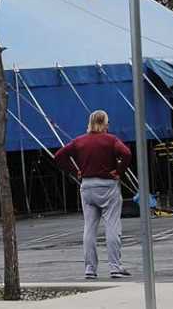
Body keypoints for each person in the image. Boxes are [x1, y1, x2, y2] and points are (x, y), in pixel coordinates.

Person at [54, 110, 132, 280]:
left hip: (87, 185)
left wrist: (75, 171)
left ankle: (90, 268)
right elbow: (126, 153)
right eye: (107, 122)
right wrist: (119, 171)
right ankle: (115, 266)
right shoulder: (111, 140)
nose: (108, 125)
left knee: (89, 228)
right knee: (112, 226)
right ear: (103, 123)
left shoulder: (79, 141)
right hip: (108, 185)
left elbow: (59, 156)